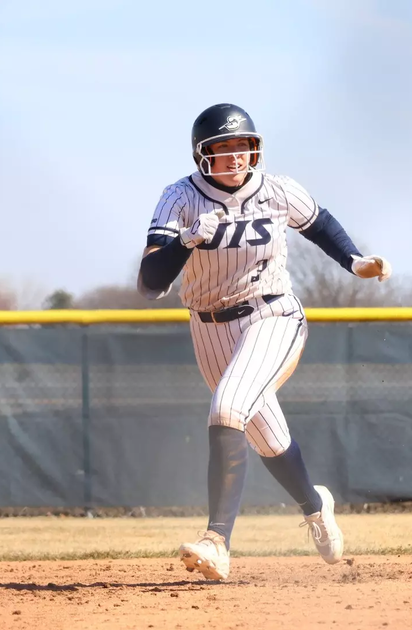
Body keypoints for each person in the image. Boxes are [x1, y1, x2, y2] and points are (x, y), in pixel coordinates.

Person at [136, 103, 391, 580]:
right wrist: (185, 242)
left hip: (272, 314)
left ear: (256, 149)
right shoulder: (180, 198)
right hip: (210, 330)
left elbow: (321, 225)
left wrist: (356, 262)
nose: (235, 157)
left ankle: (217, 541)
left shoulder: (276, 190)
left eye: (242, 146)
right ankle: (316, 506)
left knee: (227, 408)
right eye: (222, 148)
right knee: (267, 437)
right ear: (201, 155)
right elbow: (150, 281)